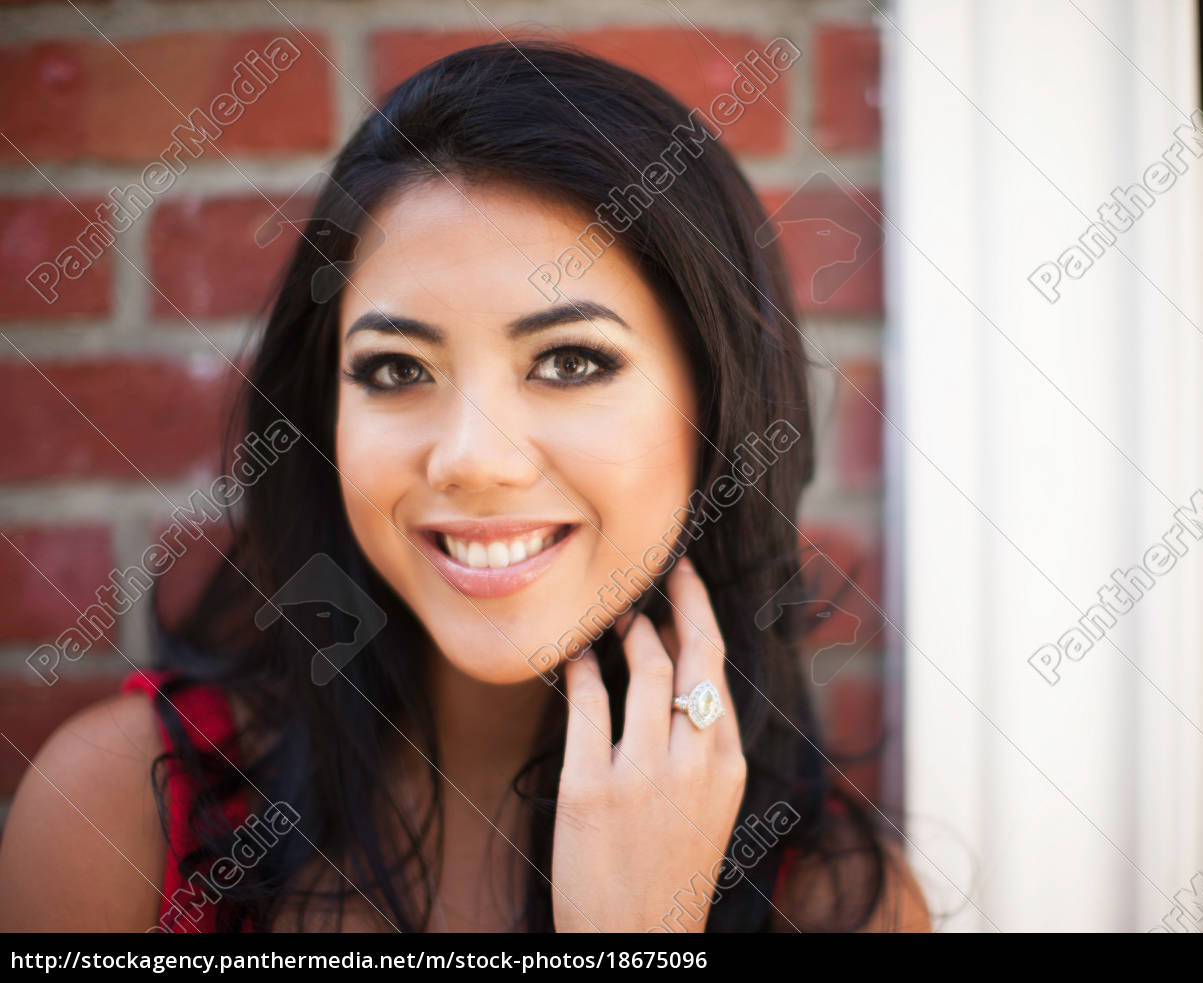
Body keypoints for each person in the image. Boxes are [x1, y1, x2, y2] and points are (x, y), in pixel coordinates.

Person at [0, 40, 931, 933]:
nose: (471, 460)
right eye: (398, 370)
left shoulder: (839, 905)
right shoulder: (118, 818)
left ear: (716, 406)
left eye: (570, 360)